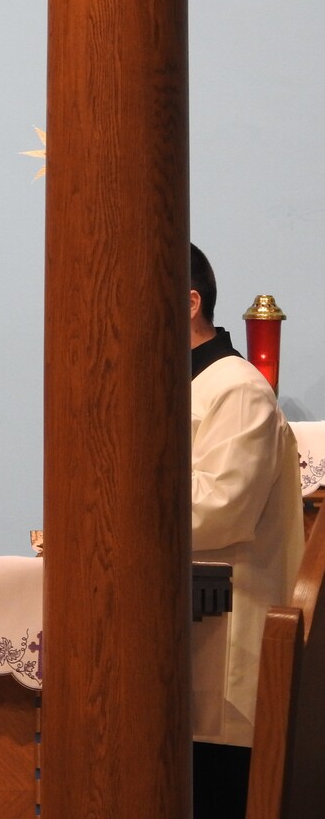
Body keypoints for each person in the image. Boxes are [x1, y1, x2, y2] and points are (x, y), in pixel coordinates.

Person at [189, 244, 303, 817]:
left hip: (221, 642)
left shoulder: (236, 388)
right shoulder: (174, 387)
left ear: (189, 303)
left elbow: (223, 505)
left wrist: (116, 510)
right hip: (179, 637)